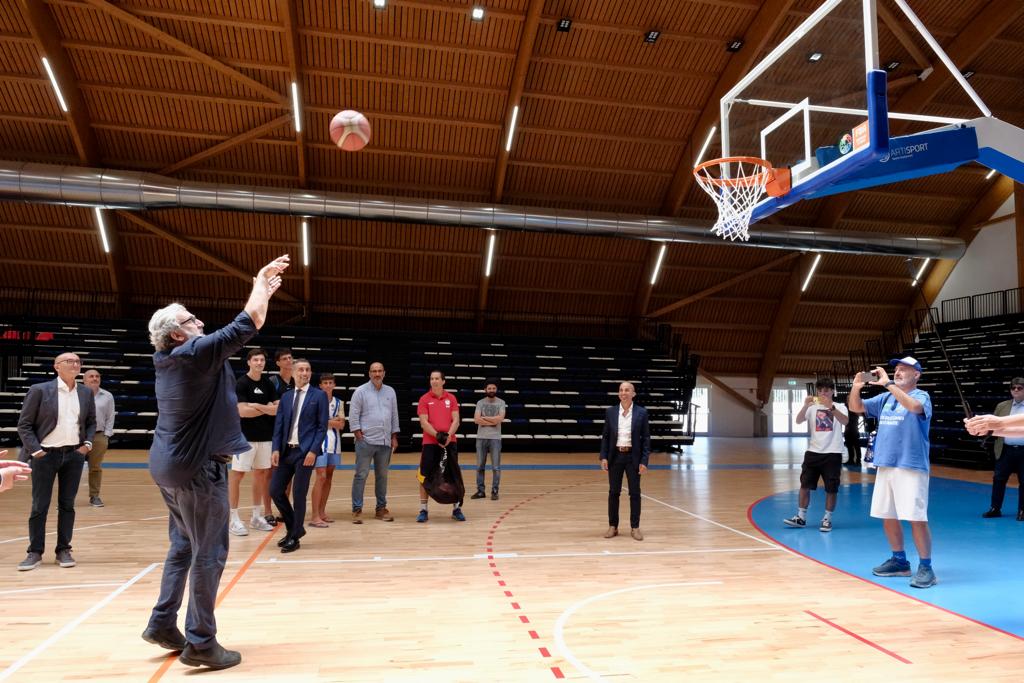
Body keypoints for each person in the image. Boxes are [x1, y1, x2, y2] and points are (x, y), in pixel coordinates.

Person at [142, 254, 289, 670]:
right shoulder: (192, 353)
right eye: (191, 320)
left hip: (167, 465)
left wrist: (261, 292)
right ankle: (202, 642)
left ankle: (162, 623)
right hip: (197, 468)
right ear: (176, 334)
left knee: (183, 546)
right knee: (210, 552)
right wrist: (260, 281)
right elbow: (249, 321)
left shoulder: (168, 359)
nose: (200, 322)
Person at [848, 356, 936, 589]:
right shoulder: (885, 398)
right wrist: (856, 388)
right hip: (886, 464)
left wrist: (888, 384)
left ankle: (926, 567)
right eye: (896, 369)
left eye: (904, 369)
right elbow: (856, 407)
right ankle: (900, 561)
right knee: (888, 514)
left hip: (911, 465)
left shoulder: (921, 396)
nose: (897, 372)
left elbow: (914, 408)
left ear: (917, 375)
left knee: (916, 517)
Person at [16, 351, 96, 571]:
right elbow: (24, 425)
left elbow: (91, 422)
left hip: (74, 455)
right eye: (69, 361)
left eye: (78, 361)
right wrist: (36, 451)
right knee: (39, 505)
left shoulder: (85, 392)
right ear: (57, 366)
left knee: (67, 505)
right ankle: (34, 552)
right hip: (45, 456)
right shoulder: (40, 390)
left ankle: (63, 550)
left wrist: (87, 445)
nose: (75, 364)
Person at [270, 359, 328, 553]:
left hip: (305, 453)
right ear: (294, 373)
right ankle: (294, 527)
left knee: (299, 494)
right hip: (286, 451)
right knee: (275, 490)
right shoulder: (286, 397)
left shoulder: (319, 395)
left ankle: (294, 537)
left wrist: (313, 451)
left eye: (308, 370)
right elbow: (279, 425)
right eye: (301, 370)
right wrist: (275, 449)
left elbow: (322, 427)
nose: (305, 373)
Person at [783, 378, 849, 532]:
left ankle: (827, 519)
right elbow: (798, 420)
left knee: (831, 488)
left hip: (833, 453)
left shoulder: (840, 406)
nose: (823, 393)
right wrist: (805, 405)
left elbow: (845, 421)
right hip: (813, 452)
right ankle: (801, 517)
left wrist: (831, 407)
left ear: (832, 391)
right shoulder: (812, 407)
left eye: (826, 390)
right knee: (805, 485)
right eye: (820, 390)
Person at [230, 348, 278, 536]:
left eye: (262, 360)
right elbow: (242, 412)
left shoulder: (268, 383)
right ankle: (233, 518)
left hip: (265, 437)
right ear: (249, 362)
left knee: (261, 474)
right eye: (256, 360)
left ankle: (256, 517)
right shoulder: (241, 383)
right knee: (237, 475)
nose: (259, 363)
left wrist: (256, 406)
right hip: (244, 438)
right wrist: (266, 408)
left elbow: (277, 410)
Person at [348, 361, 400, 523]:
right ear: (369, 373)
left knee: (382, 476)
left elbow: (394, 415)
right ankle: (357, 509)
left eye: (379, 371)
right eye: (374, 371)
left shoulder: (390, 391)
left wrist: (394, 436)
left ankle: (381, 509)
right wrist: (358, 434)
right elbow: (353, 415)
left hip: (385, 442)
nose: (377, 374)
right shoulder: (360, 391)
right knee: (361, 475)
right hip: (366, 442)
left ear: (384, 373)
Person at [600, 382, 651, 541]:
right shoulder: (610, 412)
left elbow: (646, 439)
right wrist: (603, 456)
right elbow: (606, 436)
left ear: (633, 394)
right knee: (613, 492)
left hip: (633, 458)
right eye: (621, 390)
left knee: (635, 493)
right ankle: (613, 526)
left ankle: (635, 527)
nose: (624, 392)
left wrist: (644, 461)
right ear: (618, 394)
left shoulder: (642, 412)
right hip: (615, 456)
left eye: (627, 390)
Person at [416, 370, 466, 523]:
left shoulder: (451, 398)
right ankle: (423, 510)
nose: (434, 381)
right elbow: (424, 422)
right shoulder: (424, 399)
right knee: (424, 475)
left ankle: (456, 508)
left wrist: (448, 436)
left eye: (437, 378)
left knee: (452, 475)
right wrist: (437, 435)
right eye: (432, 378)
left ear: (443, 381)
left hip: (450, 442)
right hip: (430, 443)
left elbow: (456, 420)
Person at [977, 377, 1024, 520]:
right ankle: (995, 508)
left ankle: (1022, 511)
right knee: (998, 479)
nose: (1016, 390)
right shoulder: (1002, 406)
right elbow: (992, 426)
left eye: (1020, 388)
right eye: (1013, 387)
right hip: (1005, 449)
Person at [310, 372, 345, 527]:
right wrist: (332, 420)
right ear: (320, 385)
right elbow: (313, 422)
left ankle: (322, 512)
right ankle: (314, 515)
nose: (328, 385)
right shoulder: (314, 400)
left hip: (335, 444)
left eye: (331, 383)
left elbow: (341, 425)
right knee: (321, 476)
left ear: (334, 385)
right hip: (319, 444)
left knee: (328, 477)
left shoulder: (339, 402)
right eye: (325, 383)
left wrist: (325, 421)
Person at [82, 368, 115, 507]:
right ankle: (66, 499)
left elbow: (110, 416)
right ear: (84, 380)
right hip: (78, 437)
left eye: (97, 376)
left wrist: (106, 435)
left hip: (99, 436)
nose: (95, 378)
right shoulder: (76, 393)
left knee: (95, 468)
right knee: (72, 468)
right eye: (91, 376)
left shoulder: (107, 396)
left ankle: (94, 496)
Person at [472, 379, 506, 501]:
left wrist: (484, 418)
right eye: (489, 388)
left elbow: (500, 418)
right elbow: (476, 419)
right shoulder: (480, 402)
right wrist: (493, 420)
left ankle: (495, 491)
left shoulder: (501, 402)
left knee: (496, 467)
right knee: (480, 466)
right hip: (481, 438)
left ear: (496, 389)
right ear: (485, 389)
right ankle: (480, 491)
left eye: (493, 388)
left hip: (495, 438)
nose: (491, 390)